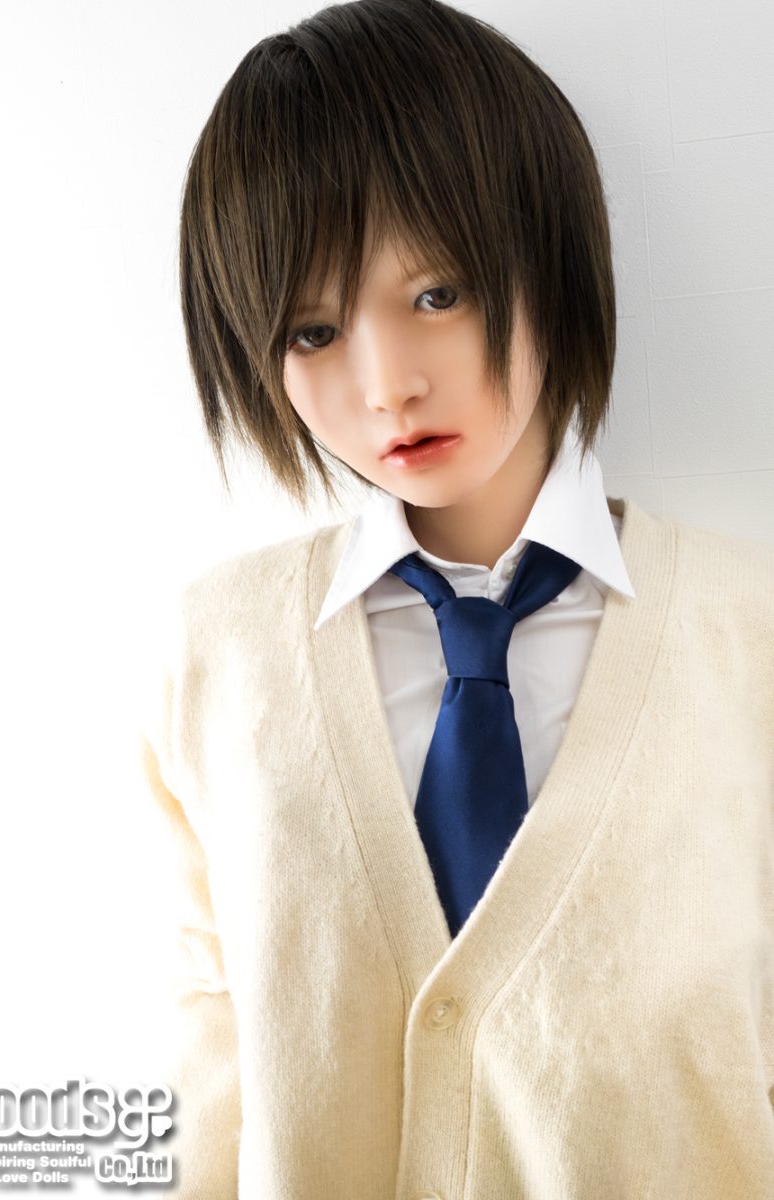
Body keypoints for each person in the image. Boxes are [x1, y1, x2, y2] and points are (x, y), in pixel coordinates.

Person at [141, 1, 774, 1196]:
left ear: (550, 257)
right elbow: (209, 1047)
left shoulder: (751, 640)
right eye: (313, 329)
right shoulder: (219, 655)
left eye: (438, 295)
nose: (387, 384)